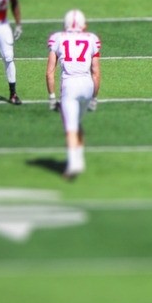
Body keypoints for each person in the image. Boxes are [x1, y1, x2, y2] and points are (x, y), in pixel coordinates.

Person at [45, 9, 101, 180]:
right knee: (77, 122)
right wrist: (94, 97)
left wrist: (51, 97)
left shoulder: (58, 38)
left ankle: (72, 164)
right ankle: (80, 158)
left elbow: (49, 72)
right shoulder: (92, 38)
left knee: (70, 128)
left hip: (70, 85)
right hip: (87, 85)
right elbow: (96, 72)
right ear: (83, 25)